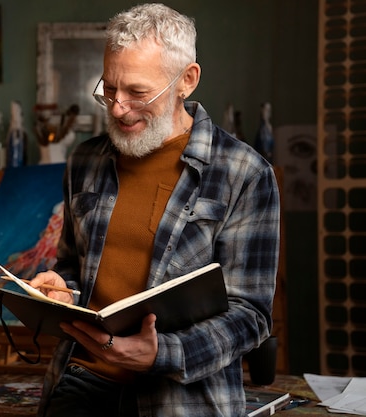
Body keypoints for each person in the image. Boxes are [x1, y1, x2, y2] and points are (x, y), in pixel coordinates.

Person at [29, 3, 280, 417]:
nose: (117, 108)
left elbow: (250, 316)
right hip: (82, 382)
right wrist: (62, 288)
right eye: (108, 89)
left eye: (137, 92)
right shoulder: (84, 161)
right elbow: (75, 267)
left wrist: (162, 353)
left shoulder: (245, 174)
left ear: (187, 80)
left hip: (183, 398)